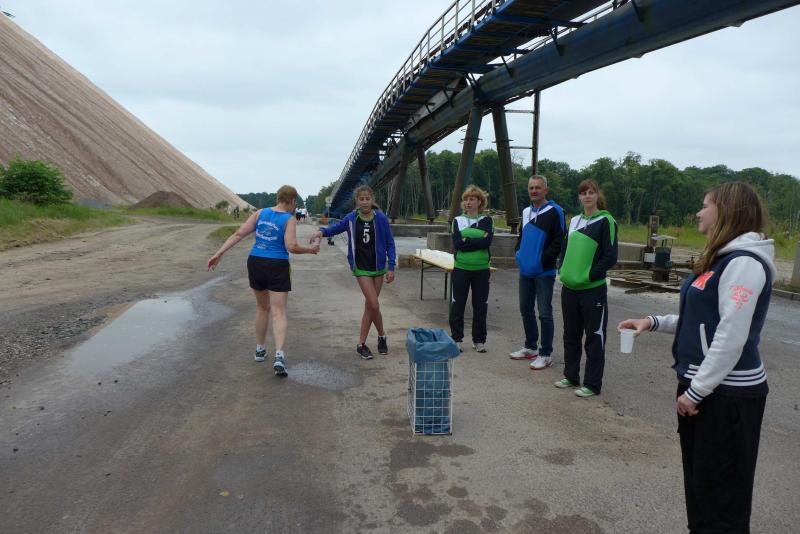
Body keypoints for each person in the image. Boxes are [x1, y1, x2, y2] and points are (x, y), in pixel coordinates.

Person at [618, 182, 774, 533]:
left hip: (728, 396)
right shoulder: (719, 258)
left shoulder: (744, 263)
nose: (698, 212)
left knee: (723, 502)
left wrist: (696, 391)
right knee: (702, 489)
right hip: (706, 389)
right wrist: (653, 322)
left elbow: (731, 336)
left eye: (705, 205)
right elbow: (702, 319)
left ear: (727, 210)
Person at [207, 185, 319, 377]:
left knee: (261, 308)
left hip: (256, 262)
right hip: (277, 264)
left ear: (278, 198)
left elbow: (239, 234)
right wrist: (310, 250)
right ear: (292, 201)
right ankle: (279, 356)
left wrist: (219, 253)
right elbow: (291, 246)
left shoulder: (260, 213)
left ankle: (260, 350)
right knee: (279, 311)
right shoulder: (289, 219)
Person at [311, 185, 396, 359]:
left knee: (370, 306)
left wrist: (391, 266)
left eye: (367, 199)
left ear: (372, 200)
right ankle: (365, 342)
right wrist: (321, 232)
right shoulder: (351, 218)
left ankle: (377, 338)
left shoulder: (380, 218)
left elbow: (390, 242)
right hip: (361, 267)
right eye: (361, 199)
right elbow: (336, 228)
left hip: (378, 267)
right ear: (356, 200)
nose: (364, 202)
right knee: (374, 304)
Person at [555, 179, 618, 398]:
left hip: (593, 289)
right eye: (583, 193)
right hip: (569, 288)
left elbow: (610, 256)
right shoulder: (574, 221)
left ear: (597, 195)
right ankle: (571, 376)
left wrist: (589, 275)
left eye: (591, 192)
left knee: (594, 337)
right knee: (570, 334)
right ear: (579, 197)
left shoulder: (606, 221)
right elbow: (564, 249)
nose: (587, 196)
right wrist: (562, 269)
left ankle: (592, 384)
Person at [509, 175, 565, 369]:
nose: (534, 191)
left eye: (538, 187)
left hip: (544, 272)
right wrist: (518, 253)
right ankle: (530, 347)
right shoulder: (526, 211)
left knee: (545, 313)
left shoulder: (555, 211)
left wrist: (542, 260)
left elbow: (559, 240)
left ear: (546, 190)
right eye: (531, 187)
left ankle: (546, 353)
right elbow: (522, 235)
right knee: (525, 309)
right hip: (525, 270)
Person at [449, 185, 494, 353]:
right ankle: (456, 339)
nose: (468, 202)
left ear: (479, 202)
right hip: (461, 268)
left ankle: (479, 340)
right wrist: (477, 238)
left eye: (472, 199)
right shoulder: (457, 220)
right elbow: (458, 243)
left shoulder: (487, 221)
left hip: (481, 269)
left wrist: (467, 239)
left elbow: (487, 242)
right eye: (466, 199)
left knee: (480, 306)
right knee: (457, 305)